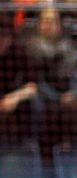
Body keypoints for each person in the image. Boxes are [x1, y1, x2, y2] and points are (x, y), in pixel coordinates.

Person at [23, 8, 77, 160]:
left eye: (53, 21)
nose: (49, 25)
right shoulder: (30, 48)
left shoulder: (68, 47)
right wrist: (59, 98)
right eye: (45, 21)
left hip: (67, 96)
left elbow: (74, 75)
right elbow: (36, 81)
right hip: (44, 99)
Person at [0, 13, 38, 146]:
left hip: (12, 104)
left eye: (5, 37)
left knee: (31, 106)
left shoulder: (19, 53)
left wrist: (14, 97)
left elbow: (32, 86)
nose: (2, 41)